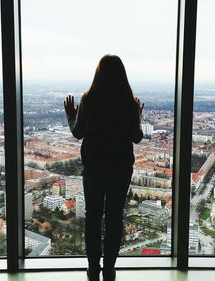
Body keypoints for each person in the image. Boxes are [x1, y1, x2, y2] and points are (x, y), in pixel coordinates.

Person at [64, 54, 144, 281]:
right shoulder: (129, 103)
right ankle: (109, 268)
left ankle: (93, 269)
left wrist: (71, 117)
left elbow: (78, 132)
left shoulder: (89, 99)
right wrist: (138, 115)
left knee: (93, 218)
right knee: (114, 218)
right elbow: (136, 138)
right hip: (120, 169)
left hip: (94, 169)